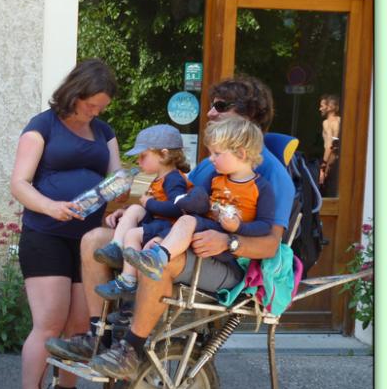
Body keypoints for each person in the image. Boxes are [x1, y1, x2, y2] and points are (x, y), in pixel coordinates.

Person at [48, 75, 295, 375]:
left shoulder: (272, 174)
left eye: (220, 106)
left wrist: (228, 242)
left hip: (227, 263)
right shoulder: (213, 164)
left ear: (250, 113)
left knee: (160, 259)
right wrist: (135, 212)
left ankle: (130, 350)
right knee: (94, 240)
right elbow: (178, 202)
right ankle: (100, 336)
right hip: (188, 241)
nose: (210, 113)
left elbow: (270, 244)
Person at [9, 58, 122, 389]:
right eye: (91, 104)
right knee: (49, 323)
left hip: (88, 241)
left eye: (101, 107)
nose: (95, 112)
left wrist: (121, 192)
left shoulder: (104, 132)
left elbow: (114, 177)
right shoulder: (42, 126)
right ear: (75, 93)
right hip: (46, 235)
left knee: (78, 326)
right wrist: (51, 207)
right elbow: (19, 184)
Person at [113, 118, 275, 348]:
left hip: (226, 249)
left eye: (217, 153)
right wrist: (189, 201)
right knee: (170, 230)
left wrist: (238, 228)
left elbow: (265, 226)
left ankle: (159, 258)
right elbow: (196, 201)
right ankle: (127, 307)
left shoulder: (261, 187)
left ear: (240, 153)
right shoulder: (215, 178)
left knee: (186, 222)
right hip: (201, 234)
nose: (211, 159)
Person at [92, 124, 192, 301]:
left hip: (166, 228)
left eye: (143, 156)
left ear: (164, 154)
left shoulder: (174, 179)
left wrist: (149, 203)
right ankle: (116, 247)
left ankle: (128, 281)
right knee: (134, 209)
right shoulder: (161, 177)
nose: (138, 161)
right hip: (157, 222)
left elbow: (177, 208)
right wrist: (126, 212)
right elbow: (151, 207)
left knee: (132, 234)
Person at [318, 94, 341, 193]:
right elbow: (335, 145)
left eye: (322, 106)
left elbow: (330, 146)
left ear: (330, 107)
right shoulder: (340, 120)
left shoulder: (327, 123)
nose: (320, 109)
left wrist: (323, 169)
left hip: (331, 166)